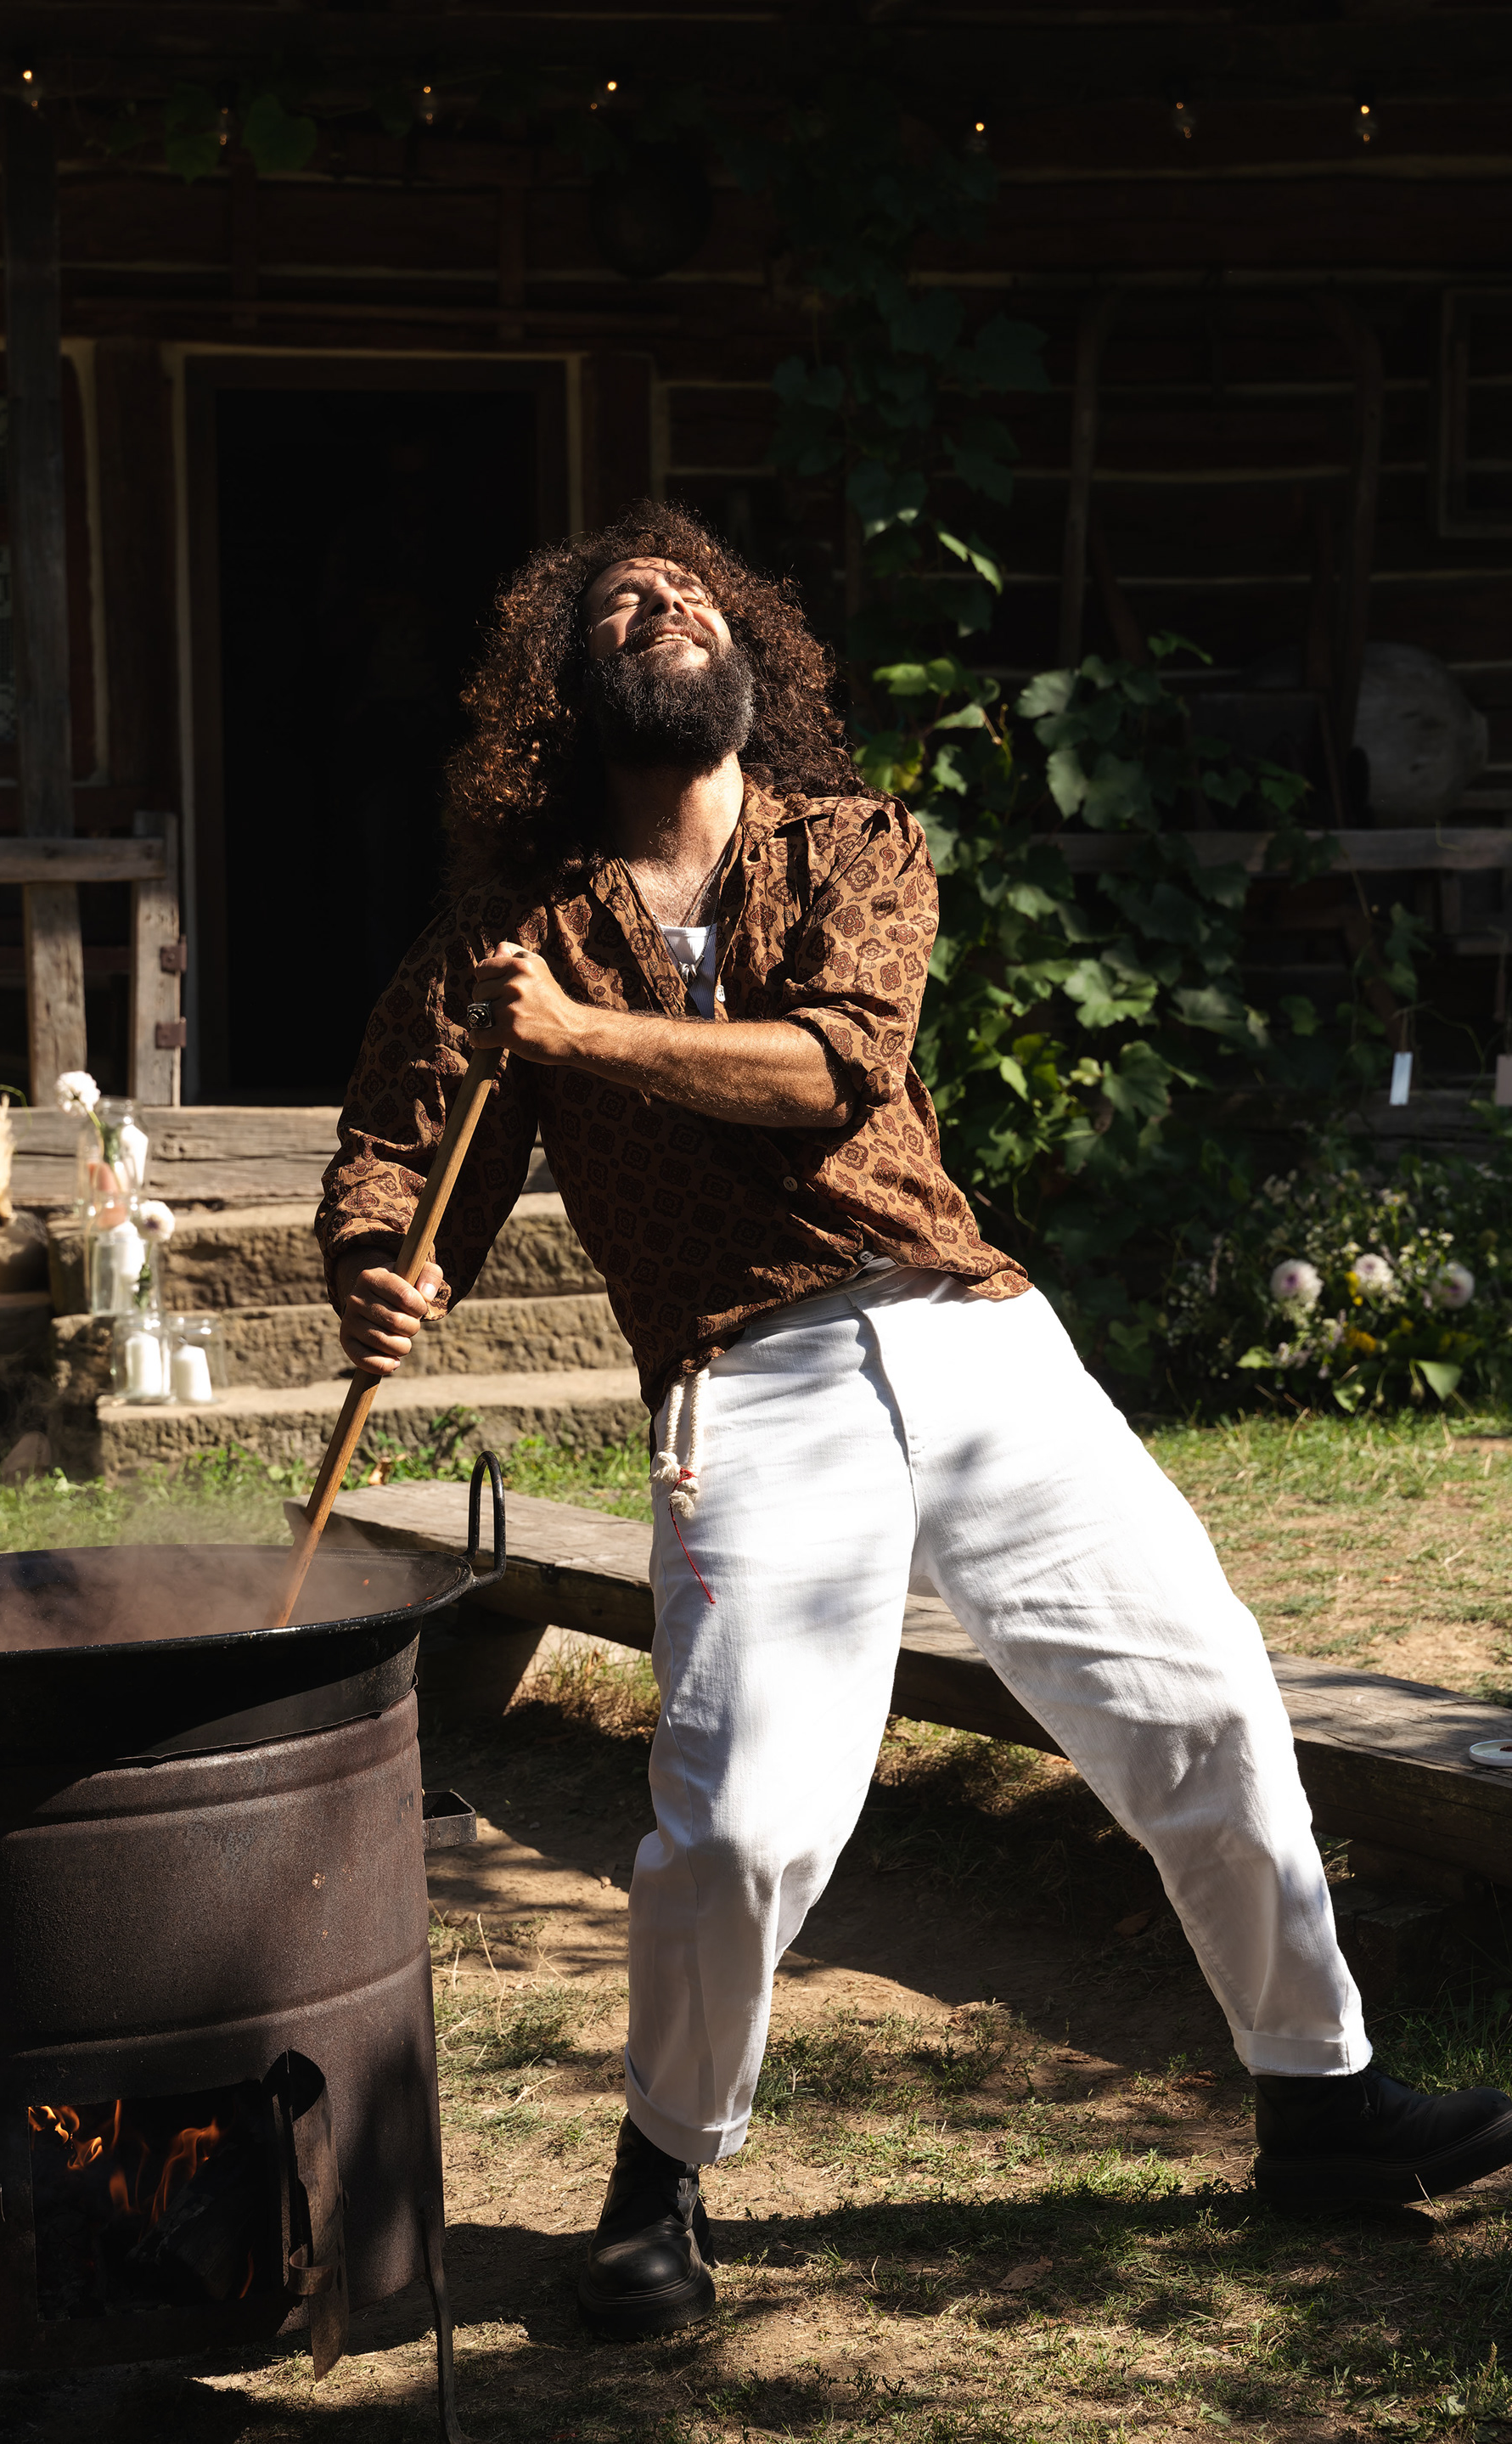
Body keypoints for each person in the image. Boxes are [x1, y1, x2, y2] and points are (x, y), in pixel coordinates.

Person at [316, 504, 1512, 2343]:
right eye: (622, 602)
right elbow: (403, 1154)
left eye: (692, 591)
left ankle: (1324, 2101)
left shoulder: (855, 844)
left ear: (750, 653)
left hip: (973, 1332)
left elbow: (836, 1062)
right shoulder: (509, 935)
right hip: (749, 1377)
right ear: (568, 685)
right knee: (739, 1821)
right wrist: (377, 1270)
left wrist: (580, 1039)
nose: (664, 605)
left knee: (1204, 1696)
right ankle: (660, 2181)